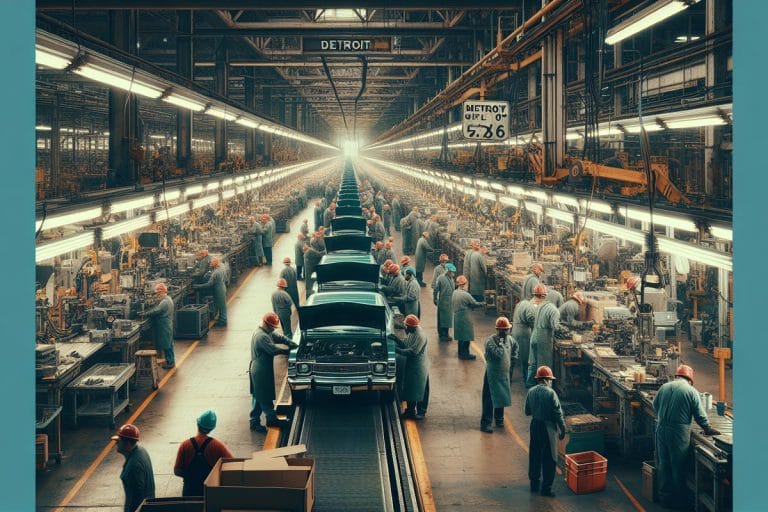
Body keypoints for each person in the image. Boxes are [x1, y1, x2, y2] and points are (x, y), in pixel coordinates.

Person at [653, 365, 721, 509]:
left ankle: (665, 499)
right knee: (677, 466)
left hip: (661, 429)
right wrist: (707, 428)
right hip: (678, 432)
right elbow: (699, 414)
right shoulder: (691, 391)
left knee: (664, 464)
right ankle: (679, 502)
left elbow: (655, 405)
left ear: (677, 375)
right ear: (690, 379)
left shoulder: (664, 387)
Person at [250, 312, 298, 432]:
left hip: (262, 367)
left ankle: (254, 421)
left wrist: (290, 342)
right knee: (264, 396)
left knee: (258, 395)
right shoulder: (261, 336)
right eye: (272, 326)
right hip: (260, 369)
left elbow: (279, 337)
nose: (273, 329)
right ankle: (271, 419)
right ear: (267, 324)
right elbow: (272, 350)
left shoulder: (266, 332)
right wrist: (288, 351)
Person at [524, 366, 566, 498]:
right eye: (550, 379)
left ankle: (534, 484)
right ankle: (546, 488)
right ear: (547, 379)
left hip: (535, 425)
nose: (551, 382)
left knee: (535, 454)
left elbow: (527, 411)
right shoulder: (551, 393)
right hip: (548, 427)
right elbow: (558, 414)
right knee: (549, 458)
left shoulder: (531, 391)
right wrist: (562, 428)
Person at [174, 410, 233, 497]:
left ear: (197, 424)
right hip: (209, 492)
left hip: (189, 492)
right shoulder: (216, 445)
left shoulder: (185, 445)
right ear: (211, 429)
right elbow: (231, 463)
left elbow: (177, 471)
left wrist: (191, 477)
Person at [481, 317, 519, 433]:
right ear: (497, 330)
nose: (505, 333)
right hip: (492, 375)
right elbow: (498, 354)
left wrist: (512, 360)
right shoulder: (490, 341)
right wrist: (501, 343)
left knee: (501, 397)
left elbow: (515, 348)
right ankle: (486, 423)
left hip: (503, 375)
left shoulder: (510, 340)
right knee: (489, 399)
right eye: (503, 331)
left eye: (506, 330)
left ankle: (499, 419)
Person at [112, 424, 155, 512]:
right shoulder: (141, 450)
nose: (116, 443)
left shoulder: (133, 467)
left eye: (118, 441)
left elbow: (135, 498)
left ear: (127, 444)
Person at [394, 315, 430, 420]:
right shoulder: (412, 332)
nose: (405, 328)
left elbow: (413, 352)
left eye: (407, 326)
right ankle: (410, 411)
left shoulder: (420, 335)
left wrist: (397, 350)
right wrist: (396, 338)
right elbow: (406, 344)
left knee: (421, 389)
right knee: (411, 389)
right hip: (412, 365)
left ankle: (421, 412)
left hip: (419, 367)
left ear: (412, 326)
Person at [526, 284, 560, 387]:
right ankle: (544, 387)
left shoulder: (540, 306)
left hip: (534, 336)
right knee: (544, 364)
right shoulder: (554, 310)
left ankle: (530, 383)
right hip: (543, 339)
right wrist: (564, 328)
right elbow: (556, 326)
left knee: (533, 362)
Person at [142, 283, 175, 369]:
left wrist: (145, 314)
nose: (157, 295)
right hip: (167, 324)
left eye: (158, 293)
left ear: (163, 291)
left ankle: (170, 362)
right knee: (169, 344)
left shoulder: (164, 302)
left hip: (165, 326)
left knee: (167, 345)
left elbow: (157, 311)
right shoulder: (168, 299)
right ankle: (170, 361)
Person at [452, 275, 484, 360]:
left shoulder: (455, 292)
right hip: (464, 317)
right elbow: (474, 303)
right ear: (463, 285)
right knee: (466, 336)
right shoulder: (465, 295)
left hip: (456, 316)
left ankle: (460, 352)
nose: (467, 286)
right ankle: (465, 354)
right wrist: (484, 303)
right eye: (467, 285)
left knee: (460, 336)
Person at [194, 258, 227, 327]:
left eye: (211, 263)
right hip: (222, 286)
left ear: (215, 263)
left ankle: (223, 321)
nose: (210, 264)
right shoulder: (222, 266)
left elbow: (209, 284)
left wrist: (198, 286)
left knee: (221, 305)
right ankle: (221, 319)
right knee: (220, 304)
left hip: (218, 289)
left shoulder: (216, 273)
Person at [512, 297, 537, 386]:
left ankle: (509, 377)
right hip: (523, 334)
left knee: (514, 356)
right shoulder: (530, 306)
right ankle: (528, 380)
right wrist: (536, 327)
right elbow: (531, 319)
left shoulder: (521, 303)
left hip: (515, 331)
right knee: (526, 357)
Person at [434, 263, 456, 342]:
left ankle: (446, 334)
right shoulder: (441, 278)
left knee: (447, 320)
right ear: (447, 271)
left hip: (449, 302)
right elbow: (436, 289)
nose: (453, 274)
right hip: (443, 302)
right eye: (451, 272)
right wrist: (435, 299)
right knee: (442, 319)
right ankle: (442, 335)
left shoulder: (451, 279)